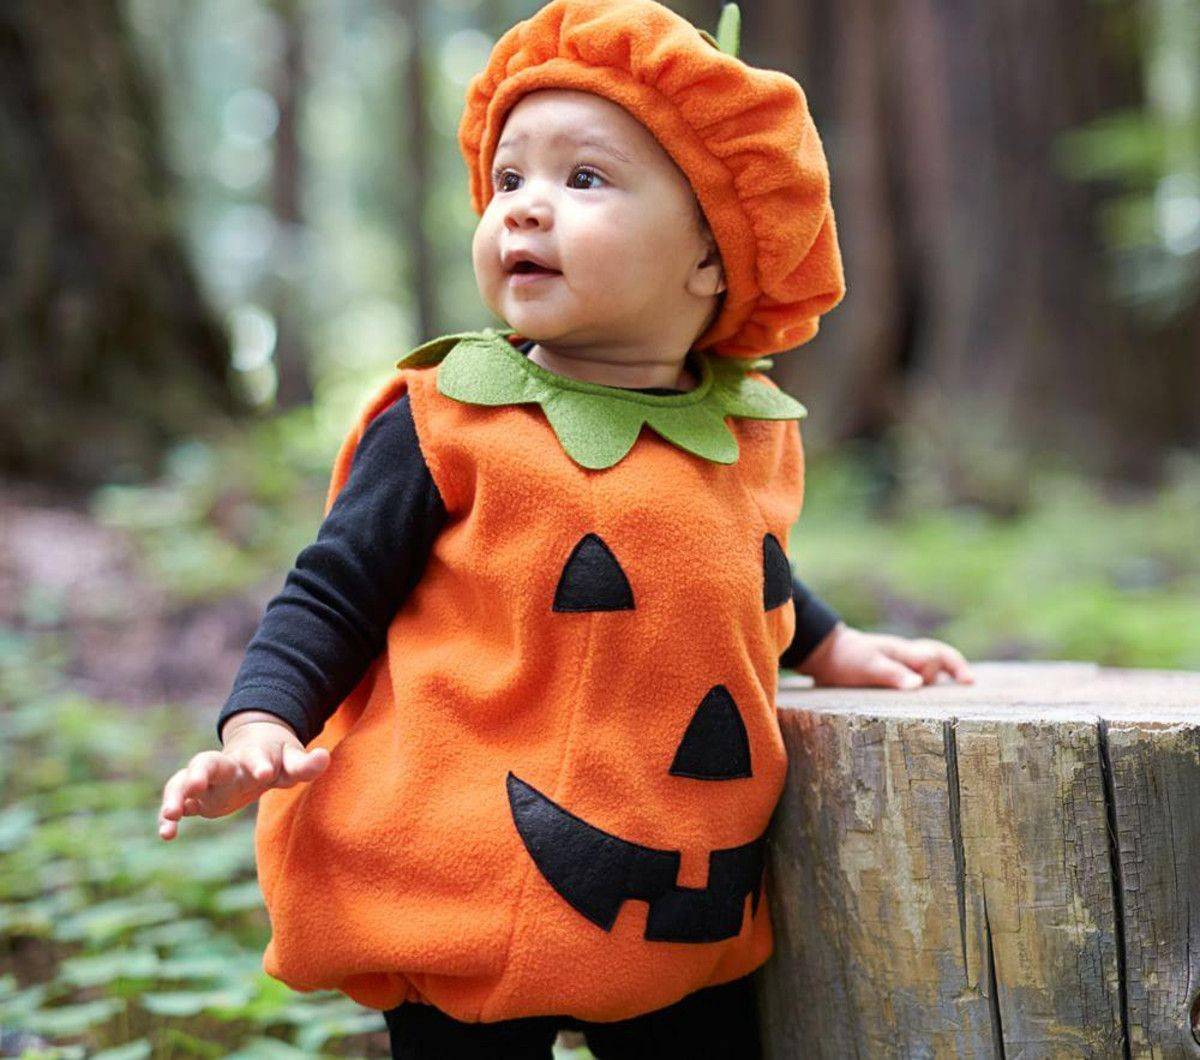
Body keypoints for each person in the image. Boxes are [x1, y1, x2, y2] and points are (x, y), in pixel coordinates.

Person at [158, 1, 973, 1056]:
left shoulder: (742, 428)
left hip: (680, 869)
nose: (525, 210)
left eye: (583, 179)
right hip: (466, 864)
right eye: (508, 181)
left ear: (714, 258)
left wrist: (829, 643)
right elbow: (332, 589)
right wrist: (260, 721)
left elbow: (741, 564)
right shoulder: (448, 418)